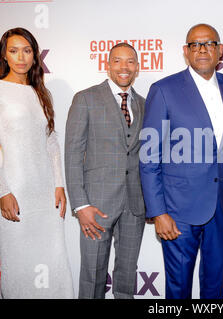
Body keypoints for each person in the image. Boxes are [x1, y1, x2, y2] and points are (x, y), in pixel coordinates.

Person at [139, 23, 223, 299]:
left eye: (209, 43)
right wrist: (158, 211)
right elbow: (149, 156)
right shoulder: (164, 89)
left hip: (221, 205)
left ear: (220, 50)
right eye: (195, 44)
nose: (202, 49)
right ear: (185, 51)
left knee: (214, 285)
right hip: (177, 210)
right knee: (178, 288)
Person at [0, 27, 74, 298]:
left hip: (46, 196)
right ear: (4, 56)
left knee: (54, 262)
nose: (21, 57)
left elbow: (51, 143)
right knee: (18, 267)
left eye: (27, 50)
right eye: (14, 50)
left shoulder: (41, 93)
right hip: (14, 192)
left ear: (34, 56)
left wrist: (58, 185)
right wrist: (3, 191)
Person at [65, 42, 146, 299]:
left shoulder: (145, 104)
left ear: (138, 68)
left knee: (127, 276)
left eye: (130, 61)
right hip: (95, 206)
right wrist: (80, 205)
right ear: (107, 65)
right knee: (92, 275)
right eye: (118, 61)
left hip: (134, 205)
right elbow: (73, 155)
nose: (124, 67)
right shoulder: (85, 99)